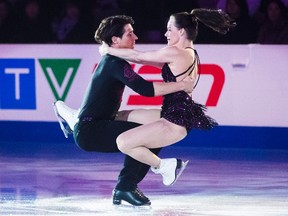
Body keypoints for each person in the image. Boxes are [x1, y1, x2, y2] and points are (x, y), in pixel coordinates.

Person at [53, 15, 194, 206]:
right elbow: (145, 90)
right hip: (91, 131)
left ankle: (126, 185)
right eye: (130, 34)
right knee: (146, 137)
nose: (135, 37)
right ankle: (127, 186)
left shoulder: (115, 60)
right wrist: (180, 85)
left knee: (152, 130)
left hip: (98, 123)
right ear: (115, 40)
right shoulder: (114, 63)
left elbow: (150, 61)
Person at [98, 8, 235, 186]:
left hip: (174, 122)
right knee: (122, 116)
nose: (166, 33)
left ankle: (166, 166)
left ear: (181, 32)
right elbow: (142, 60)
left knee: (123, 142)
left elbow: (138, 56)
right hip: (172, 114)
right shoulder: (188, 53)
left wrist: (107, 49)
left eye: (170, 29)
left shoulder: (176, 53)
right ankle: (79, 117)